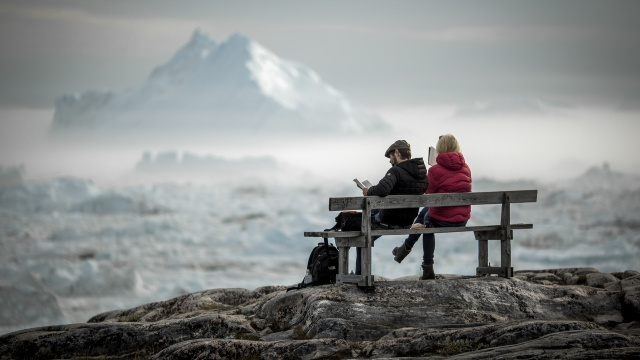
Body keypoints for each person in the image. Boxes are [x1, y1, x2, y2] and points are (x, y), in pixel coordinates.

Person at [391, 134, 472, 280]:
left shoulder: (435, 170)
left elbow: (428, 194)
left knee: (426, 223)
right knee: (425, 214)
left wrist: (433, 171)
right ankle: (404, 249)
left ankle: (424, 264)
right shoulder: (466, 168)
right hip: (462, 219)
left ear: (440, 149)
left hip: (443, 219)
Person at [355, 140, 428, 274]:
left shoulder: (396, 171)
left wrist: (367, 191)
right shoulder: (421, 174)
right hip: (407, 222)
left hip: (390, 221)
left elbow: (382, 189)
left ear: (397, 152)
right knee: (375, 211)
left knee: (361, 237)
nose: (390, 161)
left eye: (390, 157)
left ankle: (360, 274)